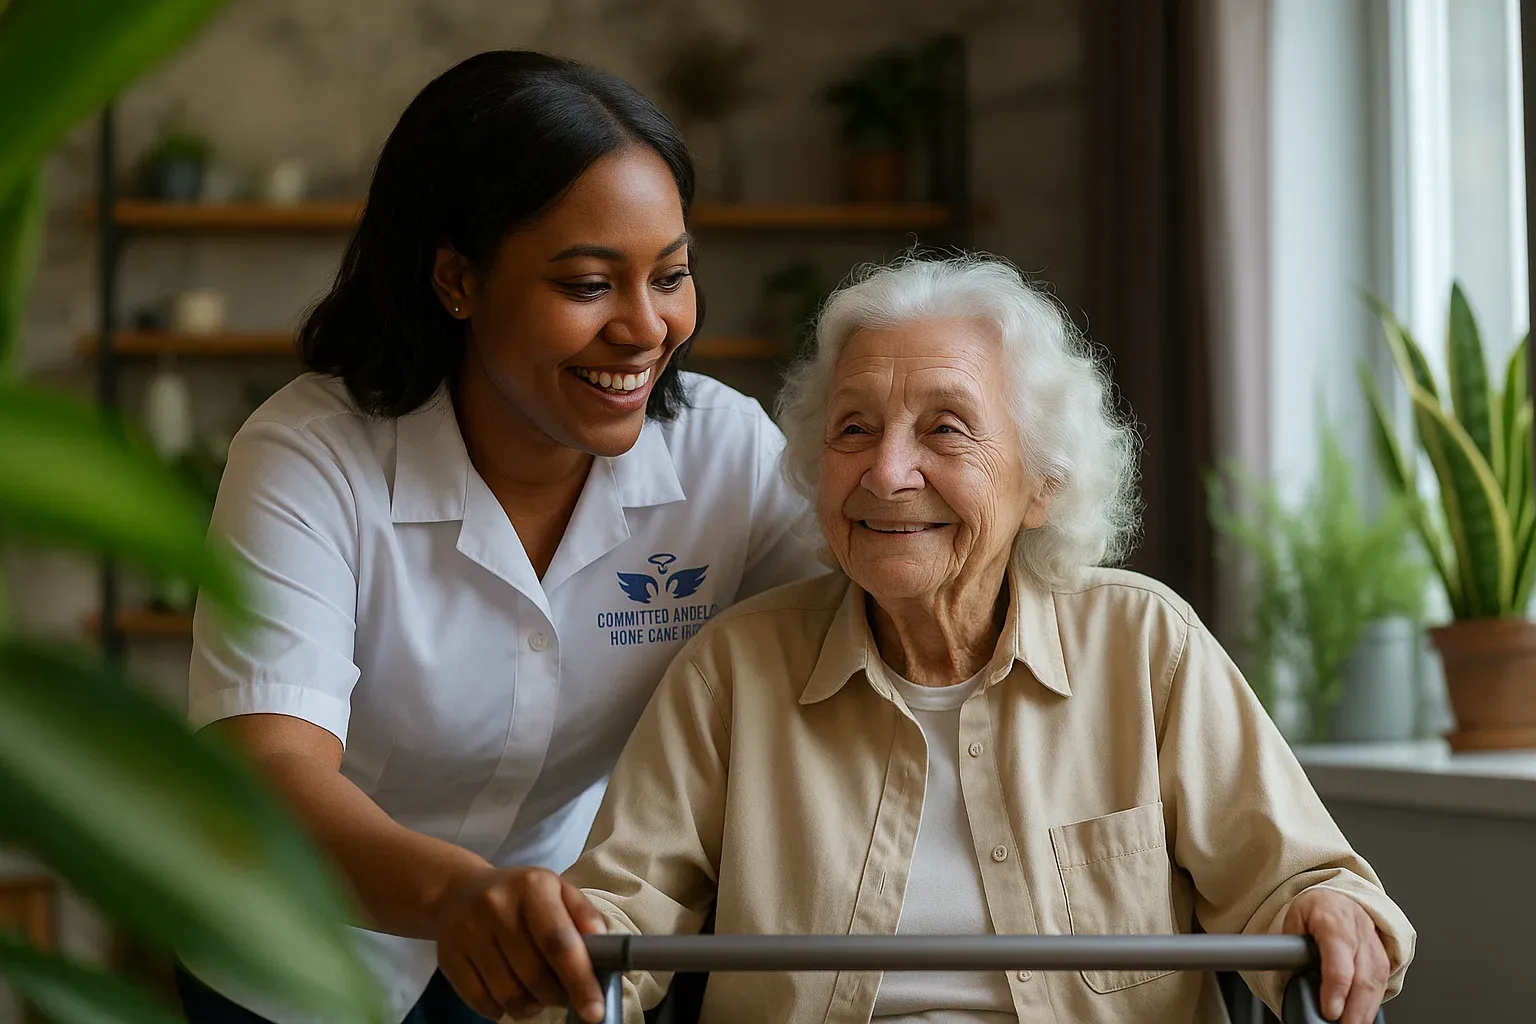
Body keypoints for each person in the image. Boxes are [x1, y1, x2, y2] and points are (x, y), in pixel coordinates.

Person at [493, 256, 1416, 1024]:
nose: (888, 472)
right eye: (854, 429)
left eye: (947, 430)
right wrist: (552, 945)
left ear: (1042, 481)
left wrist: (1329, 910)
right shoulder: (737, 668)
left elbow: (1303, 882)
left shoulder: (1142, 644)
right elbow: (615, 921)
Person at [178, 50, 821, 1024]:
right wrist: (455, 897)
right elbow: (271, 773)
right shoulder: (308, 457)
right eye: (589, 283)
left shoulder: (725, 452)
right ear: (456, 279)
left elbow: (854, 632)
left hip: (546, 949)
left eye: (672, 275)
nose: (646, 328)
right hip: (299, 957)